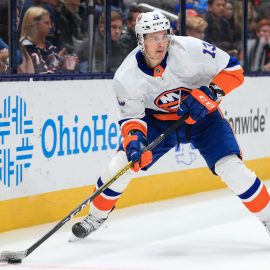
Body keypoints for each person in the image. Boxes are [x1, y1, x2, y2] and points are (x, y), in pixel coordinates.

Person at [72, 10, 270, 239]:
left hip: (204, 119)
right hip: (158, 123)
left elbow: (234, 70)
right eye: (153, 37)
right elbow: (132, 119)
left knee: (232, 168)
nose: (161, 42)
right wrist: (134, 141)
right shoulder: (126, 77)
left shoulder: (190, 49)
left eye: (164, 35)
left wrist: (210, 93)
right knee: (120, 164)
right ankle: (95, 216)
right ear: (140, 40)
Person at [20, 6, 77, 73]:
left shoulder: (49, 45)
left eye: (50, 23)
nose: (50, 26)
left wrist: (64, 63)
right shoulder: (25, 47)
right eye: (46, 23)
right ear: (34, 24)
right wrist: (59, 63)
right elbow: (41, 72)